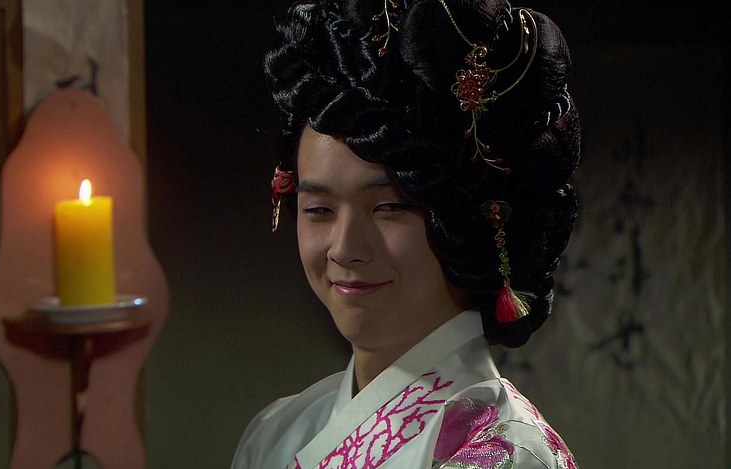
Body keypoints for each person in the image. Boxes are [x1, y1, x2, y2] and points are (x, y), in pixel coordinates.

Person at [233, 0, 580, 467]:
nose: (345, 249)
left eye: (389, 207)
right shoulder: (274, 435)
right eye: (318, 209)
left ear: (469, 222)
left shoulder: (504, 453)